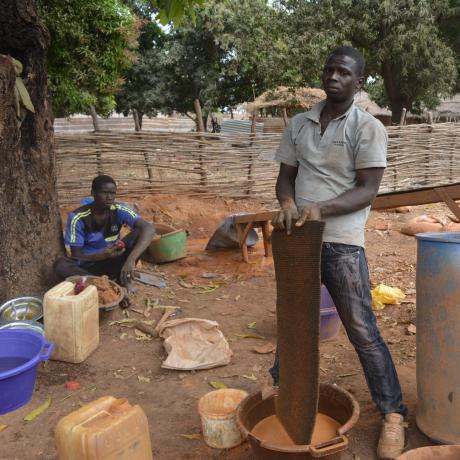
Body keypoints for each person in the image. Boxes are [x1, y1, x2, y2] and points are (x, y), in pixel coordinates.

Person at [270, 46, 407, 460]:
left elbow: (367, 190)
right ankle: (278, 392)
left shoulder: (367, 128)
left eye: (344, 72)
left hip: (343, 243)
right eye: (329, 70)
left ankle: (393, 415)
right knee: (293, 321)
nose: (334, 76)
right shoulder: (300, 123)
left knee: (362, 330)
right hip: (298, 239)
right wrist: (289, 205)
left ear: (358, 81)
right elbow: (285, 177)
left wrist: (322, 210)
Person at [54, 175, 155, 289]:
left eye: (113, 193)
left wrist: (131, 260)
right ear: (93, 193)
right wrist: (100, 255)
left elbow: (149, 228)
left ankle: (121, 279)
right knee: (61, 265)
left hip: (114, 261)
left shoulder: (119, 209)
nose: (109, 197)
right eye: (105, 192)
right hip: (89, 266)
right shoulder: (78, 217)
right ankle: (102, 285)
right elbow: (77, 255)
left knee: (140, 231)